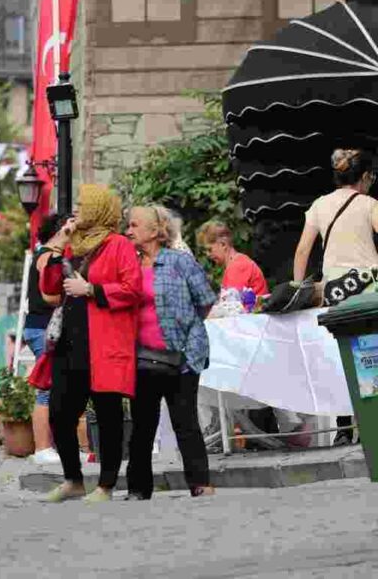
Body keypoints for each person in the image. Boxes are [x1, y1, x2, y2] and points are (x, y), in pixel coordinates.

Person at [39, 184, 141, 503]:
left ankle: (106, 485)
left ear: (98, 209)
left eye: (83, 205)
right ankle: (74, 479)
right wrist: (59, 245)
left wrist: (92, 290)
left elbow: (132, 288)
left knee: (107, 414)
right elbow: (51, 286)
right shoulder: (73, 245)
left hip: (103, 343)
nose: (76, 210)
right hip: (70, 342)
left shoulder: (118, 245)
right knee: (59, 412)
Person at [125, 206, 217, 500]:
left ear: (154, 231)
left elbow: (204, 301)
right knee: (142, 426)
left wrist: (189, 342)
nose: (129, 231)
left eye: (134, 225)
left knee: (186, 422)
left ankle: (200, 483)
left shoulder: (179, 262)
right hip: (143, 359)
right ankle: (139, 488)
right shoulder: (129, 266)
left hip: (181, 357)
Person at [294, 148, 378, 444]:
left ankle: (344, 428)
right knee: (369, 355)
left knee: (339, 356)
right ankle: (371, 423)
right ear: (366, 177)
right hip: (368, 290)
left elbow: (303, 249)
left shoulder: (319, 205)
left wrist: (297, 288)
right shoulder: (369, 204)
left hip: (334, 291)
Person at [25, 213, 75, 464]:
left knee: (58, 386)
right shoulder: (48, 256)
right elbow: (50, 295)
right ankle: (42, 448)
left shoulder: (51, 254)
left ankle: (52, 445)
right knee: (47, 386)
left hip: (44, 327)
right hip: (45, 327)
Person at [197, 221, 269, 297]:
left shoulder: (237, 266)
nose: (208, 255)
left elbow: (233, 305)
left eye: (210, 249)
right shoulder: (237, 262)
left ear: (223, 244)